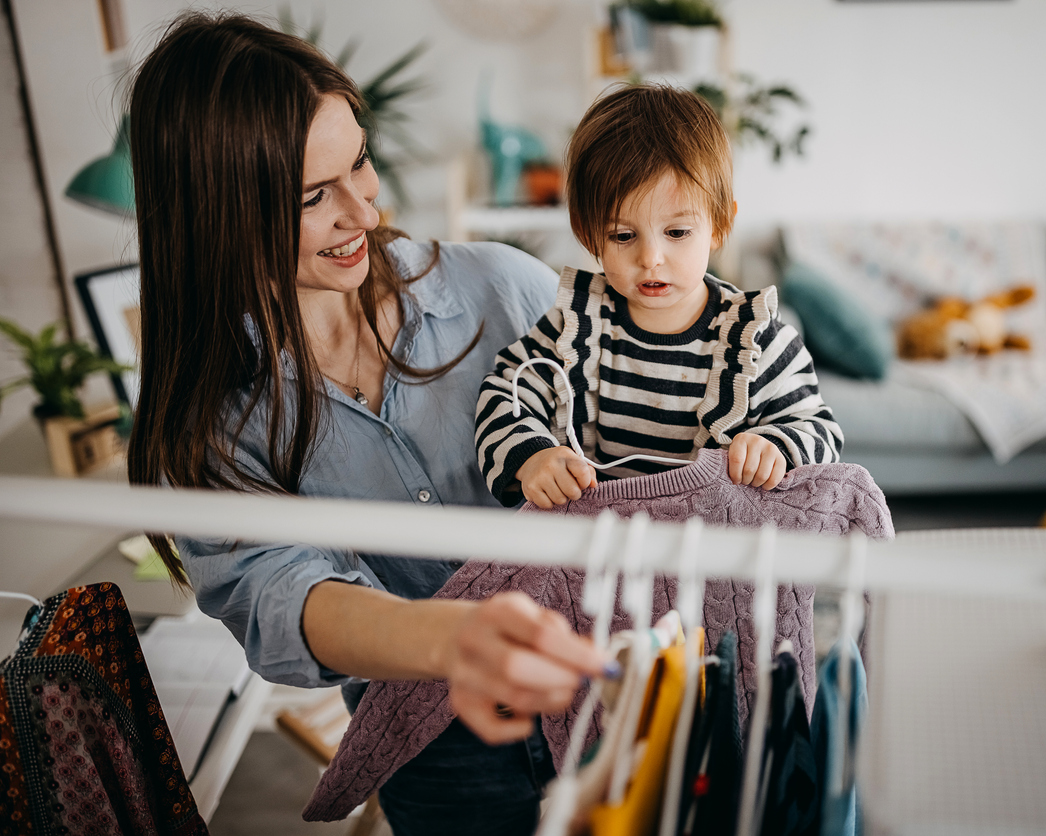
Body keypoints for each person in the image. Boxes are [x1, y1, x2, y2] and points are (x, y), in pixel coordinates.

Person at [125, 13, 606, 835]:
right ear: (215, 214)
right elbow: (278, 594)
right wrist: (448, 638)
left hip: (610, 687)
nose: (364, 212)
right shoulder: (210, 423)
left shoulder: (503, 291)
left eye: (359, 163)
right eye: (313, 197)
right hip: (438, 756)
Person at [475, 84, 843, 509]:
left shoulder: (759, 341)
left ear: (720, 225)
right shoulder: (575, 328)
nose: (650, 258)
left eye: (677, 233)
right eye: (623, 235)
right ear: (588, 231)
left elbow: (820, 431)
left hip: (710, 556)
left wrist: (774, 446)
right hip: (599, 550)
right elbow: (504, 393)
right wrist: (533, 457)